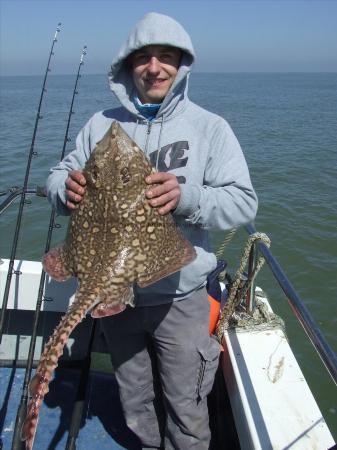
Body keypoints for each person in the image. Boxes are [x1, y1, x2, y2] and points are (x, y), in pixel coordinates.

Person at [46, 12, 258, 450]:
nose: (154, 67)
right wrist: (62, 188)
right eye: (143, 58)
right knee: (134, 394)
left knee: (186, 403)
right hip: (111, 295)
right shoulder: (100, 125)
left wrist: (187, 197)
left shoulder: (209, 128)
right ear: (128, 67)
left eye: (166, 57)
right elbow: (61, 172)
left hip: (180, 297)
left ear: (181, 66)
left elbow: (243, 202)